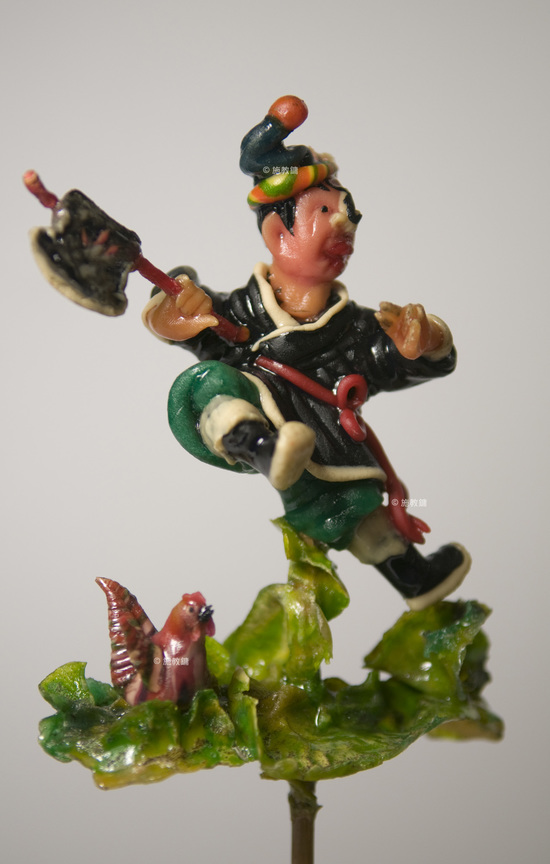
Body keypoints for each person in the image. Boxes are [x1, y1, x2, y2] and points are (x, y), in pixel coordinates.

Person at [142, 96, 471, 610]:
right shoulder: (239, 315)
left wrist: (423, 343)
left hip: (330, 447)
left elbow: (393, 360)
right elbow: (182, 324)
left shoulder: (356, 328)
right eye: (324, 212)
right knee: (210, 383)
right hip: (255, 436)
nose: (345, 224)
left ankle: (416, 579)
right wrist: (180, 311)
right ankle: (262, 447)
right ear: (280, 233)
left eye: (348, 213)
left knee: (361, 510)